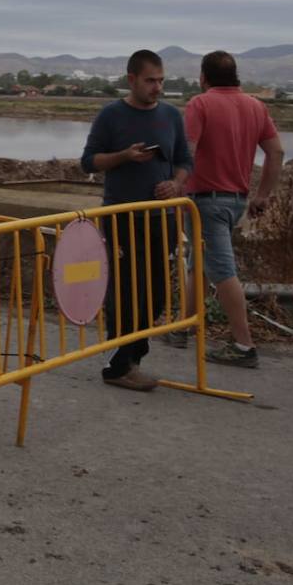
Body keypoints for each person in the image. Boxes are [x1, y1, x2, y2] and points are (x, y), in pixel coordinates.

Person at [80, 49, 192, 391]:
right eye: (150, 81)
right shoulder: (111, 116)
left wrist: (176, 184)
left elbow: (185, 161)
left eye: (161, 80)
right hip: (122, 220)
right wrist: (124, 156)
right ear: (132, 80)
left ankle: (134, 357)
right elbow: (88, 162)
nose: (157, 87)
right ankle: (118, 366)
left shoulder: (172, 116)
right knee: (126, 293)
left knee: (156, 292)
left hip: (161, 219)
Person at [185, 50, 284, 368]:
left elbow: (187, 151)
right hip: (237, 200)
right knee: (197, 262)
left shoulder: (200, 103)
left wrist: (171, 183)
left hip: (206, 200)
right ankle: (182, 328)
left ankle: (244, 346)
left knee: (221, 270)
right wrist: (263, 195)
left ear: (203, 77)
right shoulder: (256, 106)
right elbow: (276, 152)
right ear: (235, 75)